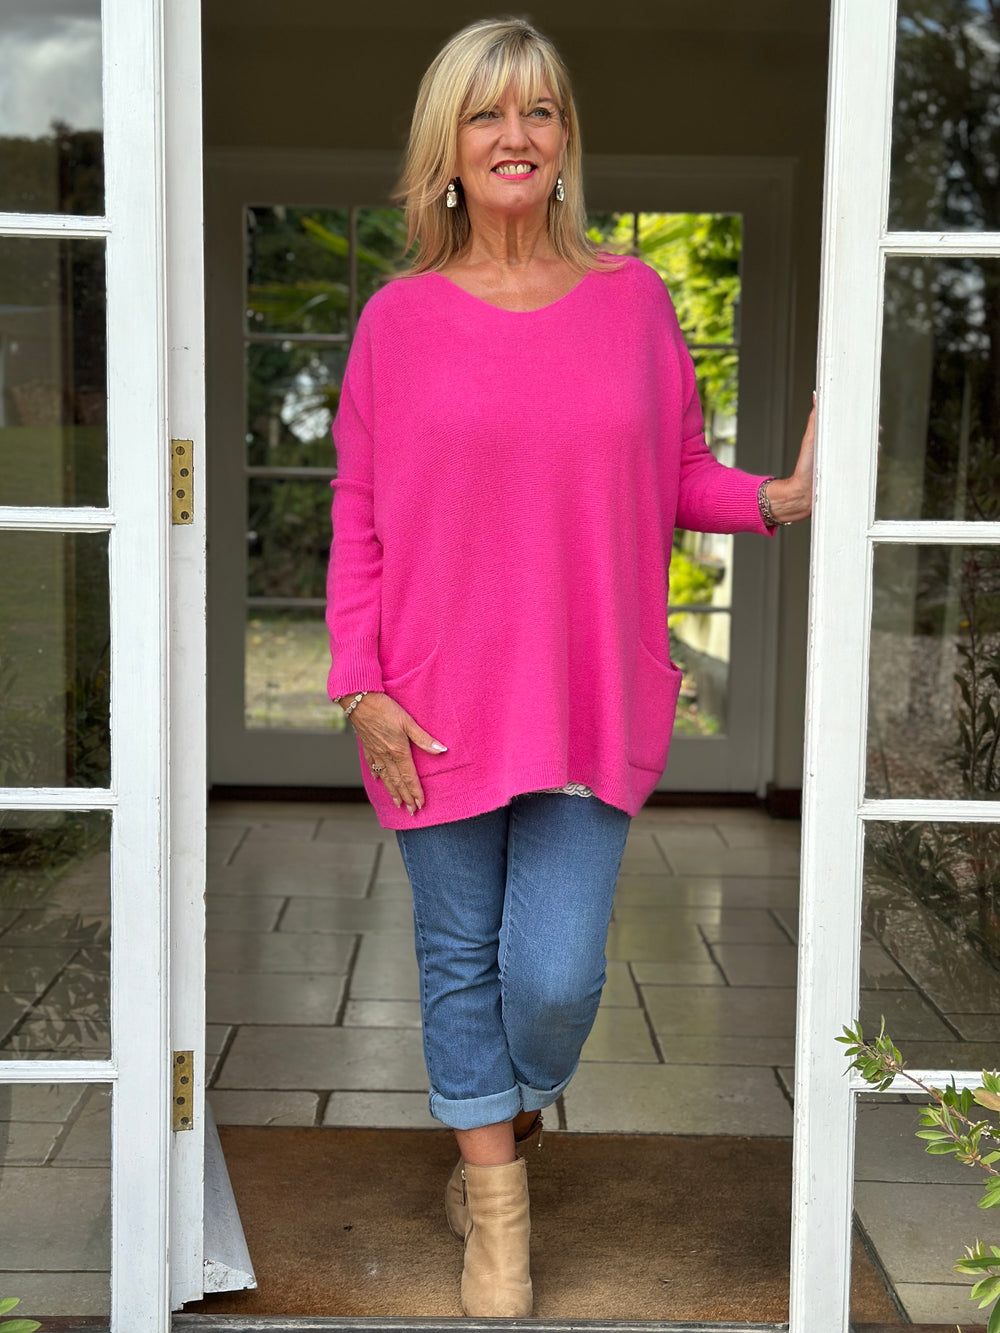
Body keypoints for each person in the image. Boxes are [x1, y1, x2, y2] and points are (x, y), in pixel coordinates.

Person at [325, 16, 814, 1319]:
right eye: (487, 114)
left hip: (587, 691)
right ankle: (496, 1212)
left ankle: (512, 1111)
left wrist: (778, 496)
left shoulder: (632, 300)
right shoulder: (395, 321)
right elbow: (356, 520)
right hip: (429, 699)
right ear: (446, 148)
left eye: (539, 111)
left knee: (554, 978)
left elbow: (677, 475)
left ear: (565, 139)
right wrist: (360, 685)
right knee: (456, 953)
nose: (517, 136)